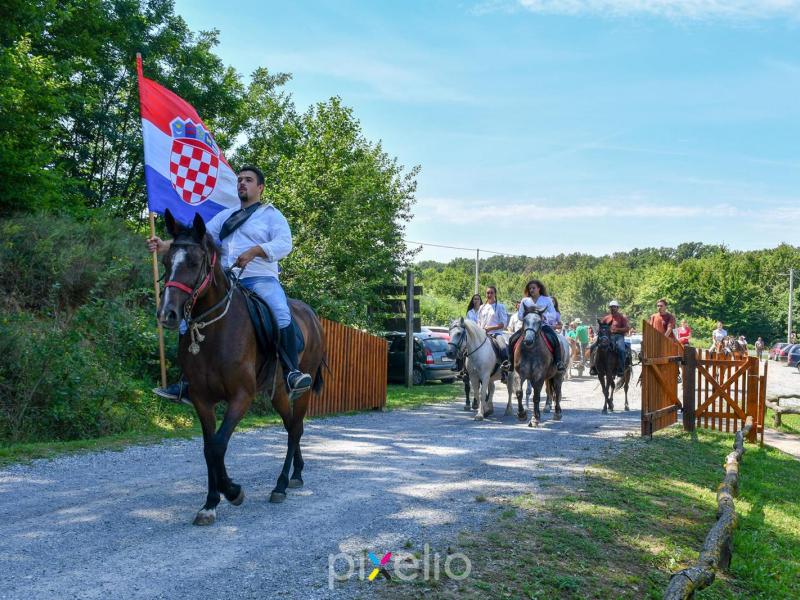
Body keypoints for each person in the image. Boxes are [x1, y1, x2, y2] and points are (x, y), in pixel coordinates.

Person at [148, 165, 312, 404]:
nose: (242, 184)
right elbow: (200, 239)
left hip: (260, 278)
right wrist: (165, 245)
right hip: (227, 279)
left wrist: (256, 251)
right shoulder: (226, 216)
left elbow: (284, 244)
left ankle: (291, 373)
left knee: (280, 313)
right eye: (240, 180)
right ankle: (186, 381)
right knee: (187, 318)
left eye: (248, 180)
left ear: (260, 188)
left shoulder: (271, 215)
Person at [508, 279, 565, 371]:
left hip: (543, 326)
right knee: (512, 339)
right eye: (530, 288)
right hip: (528, 327)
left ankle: (558, 362)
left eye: (533, 288)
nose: (531, 290)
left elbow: (553, 314)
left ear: (539, 288)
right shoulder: (525, 301)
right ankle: (510, 363)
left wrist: (544, 317)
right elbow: (520, 315)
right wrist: (528, 317)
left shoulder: (547, 300)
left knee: (555, 339)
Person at [477, 285, 510, 381]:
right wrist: (480, 330)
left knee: (503, 346)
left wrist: (490, 328)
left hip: (495, 334)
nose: (489, 294)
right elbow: (478, 322)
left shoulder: (500, 307)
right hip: (482, 334)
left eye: (491, 292)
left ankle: (505, 369)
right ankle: (464, 370)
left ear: (495, 294)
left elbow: (503, 324)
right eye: (488, 293)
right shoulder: (481, 307)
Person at [590, 300, 630, 377]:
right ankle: (593, 367)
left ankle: (620, 369)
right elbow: (600, 328)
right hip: (607, 337)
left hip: (619, 336)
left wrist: (617, 329)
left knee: (621, 349)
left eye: (614, 307)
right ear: (609, 308)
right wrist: (599, 332)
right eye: (611, 307)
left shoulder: (622, 318)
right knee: (593, 347)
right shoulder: (606, 318)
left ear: (617, 308)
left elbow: (627, 328)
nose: (613, 308)